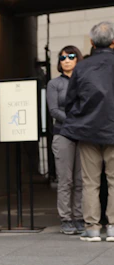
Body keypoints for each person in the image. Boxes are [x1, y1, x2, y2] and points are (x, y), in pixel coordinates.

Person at [61, 21, 114, 242]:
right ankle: (113, 227)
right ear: (113, 42)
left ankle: (92, 227)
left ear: (91, 42)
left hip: (88, 130)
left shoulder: (82, 67)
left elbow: (69, 101)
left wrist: (80, 119)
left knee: (90, 182)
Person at [47, 45, 84, 235]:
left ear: (78, 59)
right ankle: (66, 218)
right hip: (63, 134)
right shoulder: (54, 84)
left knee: (81, 180)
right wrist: (75, 121)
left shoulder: (84, 81)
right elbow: (53, 110)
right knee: (65, 180)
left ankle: (79, 216)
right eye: (62, 58)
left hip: (83, 135)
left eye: (71, 56)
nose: (67, 60)